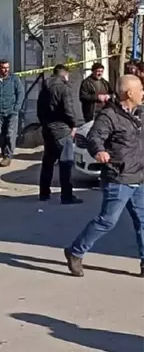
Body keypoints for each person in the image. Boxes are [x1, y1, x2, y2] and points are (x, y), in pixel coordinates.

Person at [64, 75, 144, 277]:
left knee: (143, 221)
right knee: (107, 220)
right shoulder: (109, 115)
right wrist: (99, 151)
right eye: (141, 89)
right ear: (129, 93)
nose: (143, 93)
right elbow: (95, 137)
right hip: (119, 176)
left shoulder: (139, 114)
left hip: (139, 175)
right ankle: (75, 251)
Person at [37, 64, 83, 205]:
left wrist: (45, 124)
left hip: (48, 129)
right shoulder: (64, 88)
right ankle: (66, 196)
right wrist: (74, 125)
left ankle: (44, 192)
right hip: (62, 130)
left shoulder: (44, 87)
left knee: (48, 162)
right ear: (64, 75)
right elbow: (68, 109)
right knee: (66, 163)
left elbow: (39, 109)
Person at [0, 59, 24, 168]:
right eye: (4, 68)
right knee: (2, 134)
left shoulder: (14, 79)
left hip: (12, 112)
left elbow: (20, 93)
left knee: (10, 134)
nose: (6, 70)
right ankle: (4, 154)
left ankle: (8, 156)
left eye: (7, 67)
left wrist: (16, 108)